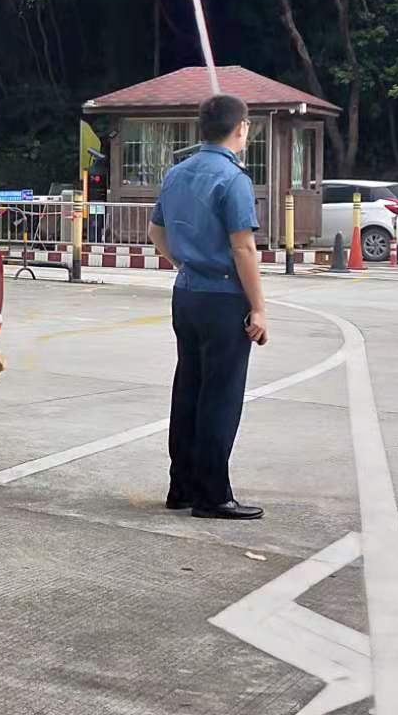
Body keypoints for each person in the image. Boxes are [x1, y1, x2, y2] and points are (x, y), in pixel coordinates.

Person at [146, 93, 270, 521]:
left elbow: (156, 231)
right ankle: (213, 494)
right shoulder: (233, 179)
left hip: (187, 294)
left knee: (189, 389)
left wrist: (182, 261)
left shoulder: (177, 173)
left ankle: (181, 486)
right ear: (241, 129)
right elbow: (244, 248)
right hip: (222, 298)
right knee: (221, 396)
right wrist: (258, 307)